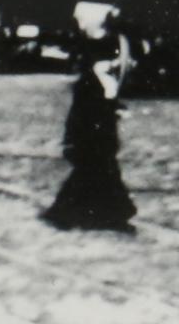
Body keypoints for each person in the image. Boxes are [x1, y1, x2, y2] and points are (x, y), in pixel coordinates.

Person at [44, 54, 139, 230]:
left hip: (104, 135)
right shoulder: (87, 83)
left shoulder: (107, 81)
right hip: (88, 136)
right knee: (95, 172)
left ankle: (101, 215)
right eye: (103, 62)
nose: (109, 64)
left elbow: (108, 105)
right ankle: (64, 214)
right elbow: (87, 110)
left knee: (98, 173)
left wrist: (116, 108)